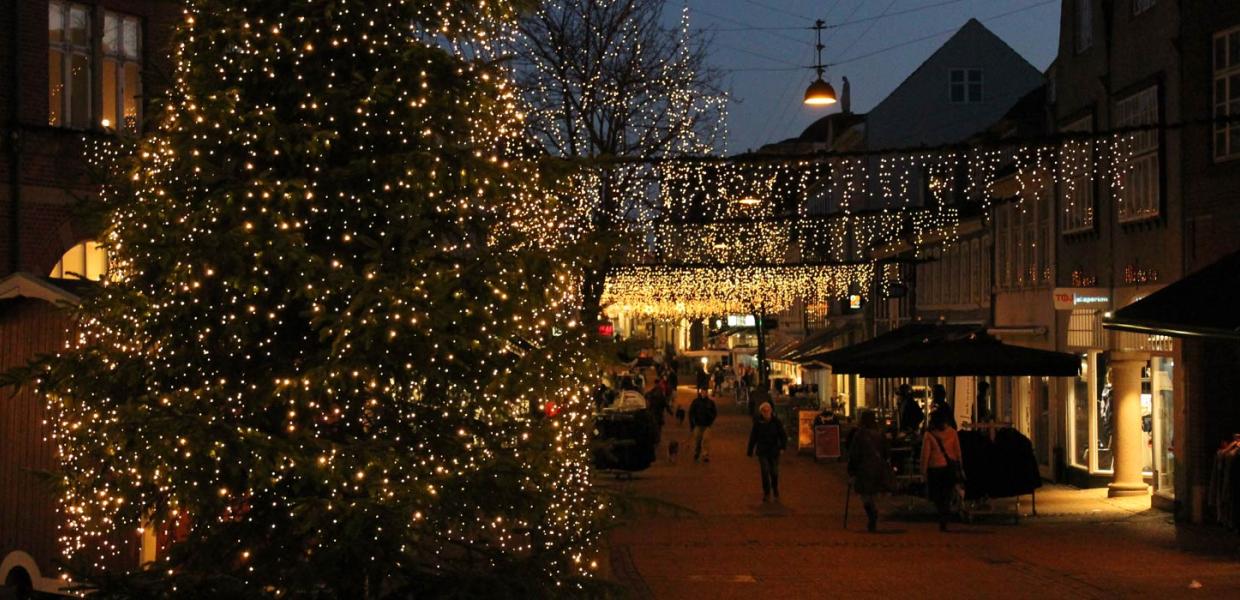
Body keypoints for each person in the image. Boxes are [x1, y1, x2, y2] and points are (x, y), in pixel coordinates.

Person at [921, 408, 963, 531]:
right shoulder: (952, 433)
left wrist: (923, 472)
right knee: (946, 493)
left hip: (935, 468)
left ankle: (942, 514)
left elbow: (925, 455)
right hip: (949, 468)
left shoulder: (929, 435)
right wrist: (960, 466)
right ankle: (945, 513)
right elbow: (958, 451)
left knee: (937, 494)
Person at [847, 411, 888, 532]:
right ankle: (873, 512)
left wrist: (851, 470)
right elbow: (886, 451)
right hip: (878, 467)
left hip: (864, 468)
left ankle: (872, 513)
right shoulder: (880, 433)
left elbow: (854, 453)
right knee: (873, 492)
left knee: (865, 494)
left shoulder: (860, 434)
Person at [747, 402, 788, 502]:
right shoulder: (758, 423)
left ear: (771, 411)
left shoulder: (776, 422)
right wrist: (750, 449)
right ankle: (767, 492)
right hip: (762, 451)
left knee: (774, 472)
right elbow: (753, 436)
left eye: (768, 410)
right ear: (761, 412)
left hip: (774, 450)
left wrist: (783, 447)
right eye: (764, 411)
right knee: (765, 471)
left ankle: (775, 488)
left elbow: (782, 435)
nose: (766, 413)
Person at [688, 389, 717, 462]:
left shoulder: (710, 403)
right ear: (701, 392)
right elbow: (691, 413)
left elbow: (714, 413)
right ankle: (697, 452)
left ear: (707, 393)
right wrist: (692, 424)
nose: (703, 393)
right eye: (702, 392)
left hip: (707, 425)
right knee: (698, 440)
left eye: (705, 392)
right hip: (697, 424)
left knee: (705, 440)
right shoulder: (696, 402)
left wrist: (710, 420)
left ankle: (705, 455)